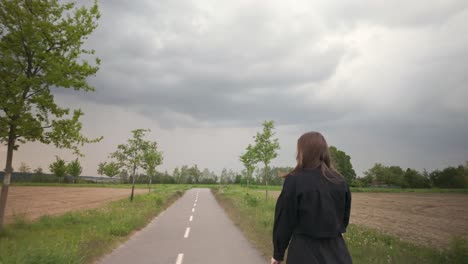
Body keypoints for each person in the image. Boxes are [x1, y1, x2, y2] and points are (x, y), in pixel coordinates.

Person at [271, 132, 352, 264]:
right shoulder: (340, 181)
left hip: (304, 252)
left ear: (302, 152)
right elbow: (344, 219)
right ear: (323, 151)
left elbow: (285, 219)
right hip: (338, 253)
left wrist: (278, 254)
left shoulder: (294, 180)